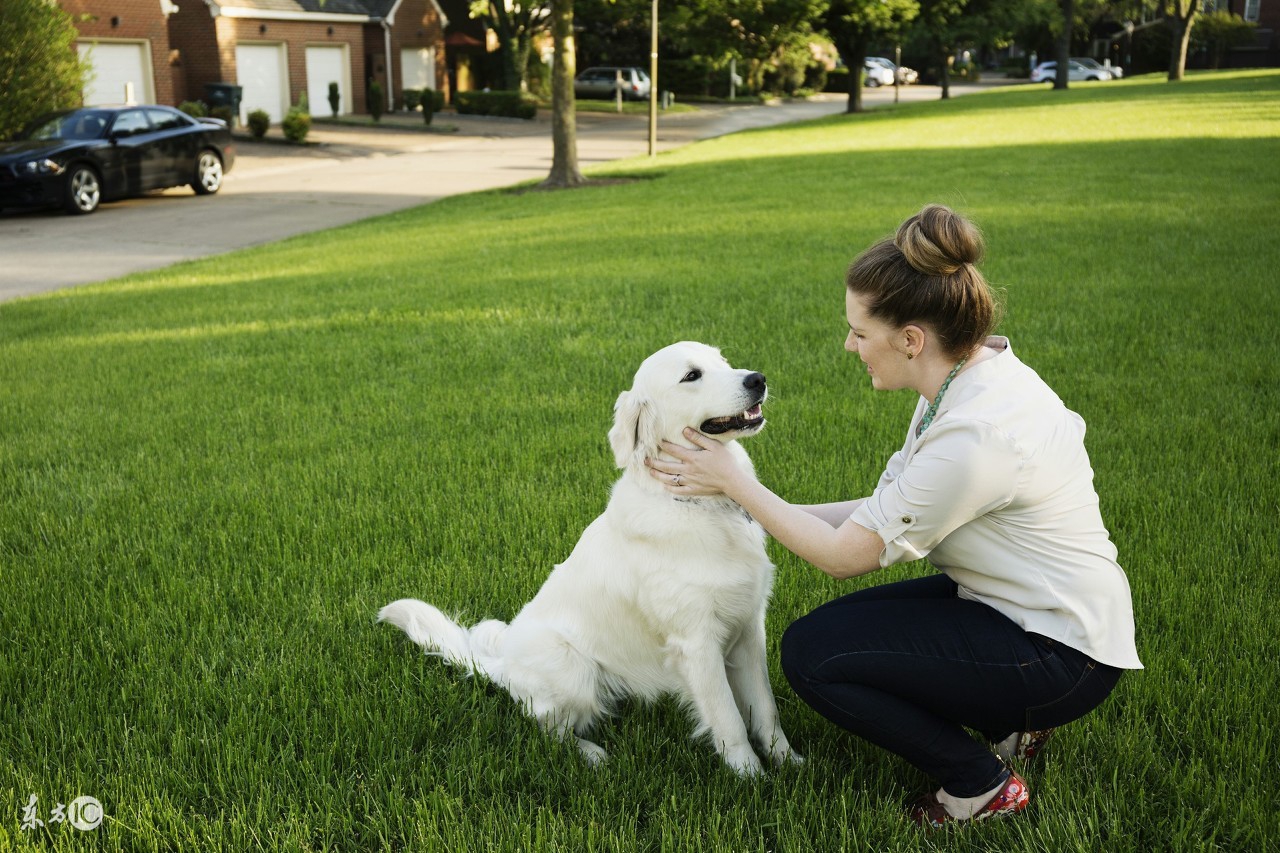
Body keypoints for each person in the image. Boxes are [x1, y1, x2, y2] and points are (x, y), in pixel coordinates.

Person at [645, 204, 1142, 828]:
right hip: (1018, 606)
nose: (848, 344)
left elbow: (846, 556)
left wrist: (738, 488)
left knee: (813, 656)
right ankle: (1014, 723)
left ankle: (981, 784)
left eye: (858, 330)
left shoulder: (975, 438)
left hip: (1061, 653)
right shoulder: (965, 376)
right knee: (835, 631)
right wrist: (743, 509)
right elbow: (877, 514)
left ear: (911, 340)